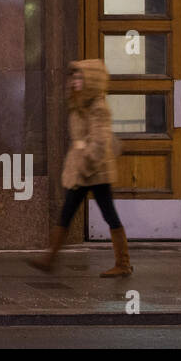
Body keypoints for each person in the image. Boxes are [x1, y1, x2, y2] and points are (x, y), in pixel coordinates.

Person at [28, 59, 132, 277]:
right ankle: (50, 258)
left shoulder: (98, 107)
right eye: (74, 77)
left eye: (80, 77)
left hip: (95, 170)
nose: (75, 81)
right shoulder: (79, 104)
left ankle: (123, 264)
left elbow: (100, 141)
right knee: (68, 212)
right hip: (83, 170)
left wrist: (84, 166)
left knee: (108, 214)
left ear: (90, 80)